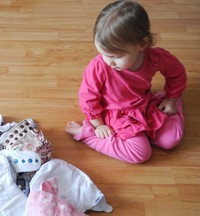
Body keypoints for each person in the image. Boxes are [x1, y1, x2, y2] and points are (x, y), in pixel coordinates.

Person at [65, 0, 187, 164]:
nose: (109, 61)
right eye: (103, 53)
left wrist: (172, 98)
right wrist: (98, 125)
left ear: (142, 45)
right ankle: (87, 134)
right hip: (115, 113)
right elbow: (88, 98)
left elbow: (176, 72)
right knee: (141, 154)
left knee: (171, 140)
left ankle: (164, 105)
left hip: (144, 105)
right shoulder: (99, 67)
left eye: (116, 56)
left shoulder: (155, 57)